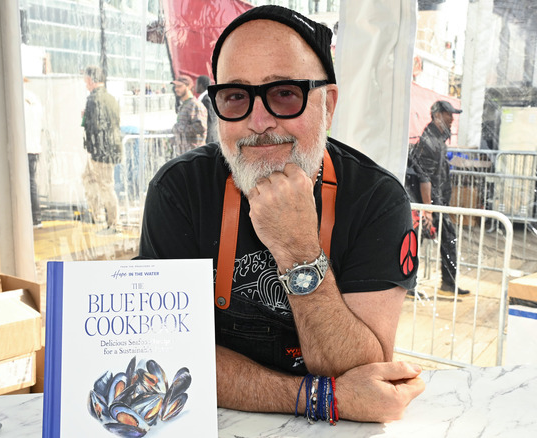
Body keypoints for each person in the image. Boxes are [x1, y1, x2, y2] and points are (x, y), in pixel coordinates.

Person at [138, 5, 424, 423]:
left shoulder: (377, 200)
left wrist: (297, 247)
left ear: (328, 104)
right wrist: (318, 397)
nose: (258, 121)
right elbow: (163, 355)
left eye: (284, 93)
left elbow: (364, 372)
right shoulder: (179, 190)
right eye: (235, 96)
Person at [406, 100, 471, 296]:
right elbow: (423, 177)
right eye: (448, 114)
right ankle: (408, 286)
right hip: (425, 203)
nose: (452, 119)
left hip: (435, 202)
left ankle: (448, 283)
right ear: (437, 115)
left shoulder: (438, 139)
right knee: (415, 242)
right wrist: (427, 210)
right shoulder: (429, 141)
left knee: (445, 238)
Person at [81, 65, 122, 234]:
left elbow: (95, 126)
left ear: (91, 80)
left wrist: (84, 118)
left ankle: (113, 224)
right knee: (88, 178)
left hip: (101, 151)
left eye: (86, 81)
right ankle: (97, 214)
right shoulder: (111, 98)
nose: (85, 84)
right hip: (110, 148)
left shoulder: (93, 99)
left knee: (106, 186)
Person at [23, 78, 44, 228]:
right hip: (35, 146)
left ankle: (32, 217)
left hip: (23, 148)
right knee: (31, 183)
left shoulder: (18, 99)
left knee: (26, 184)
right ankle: (36, 217)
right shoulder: (35, 99)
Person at [169, 74, 207, 157]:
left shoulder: (195, 105)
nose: (176, 89)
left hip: (194, 155)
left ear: (189, 86)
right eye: (175, 87)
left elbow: (200, 127)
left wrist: (179, 129)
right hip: (185, 154)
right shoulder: (185, 105)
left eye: (179, 86)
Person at [195, 74, 219, 144]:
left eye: (196, 84)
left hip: (209, 138)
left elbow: (210, 120)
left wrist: (207, 140)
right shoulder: (208, 97)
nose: (195, 86)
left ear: (200, 85)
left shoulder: (206, 100)